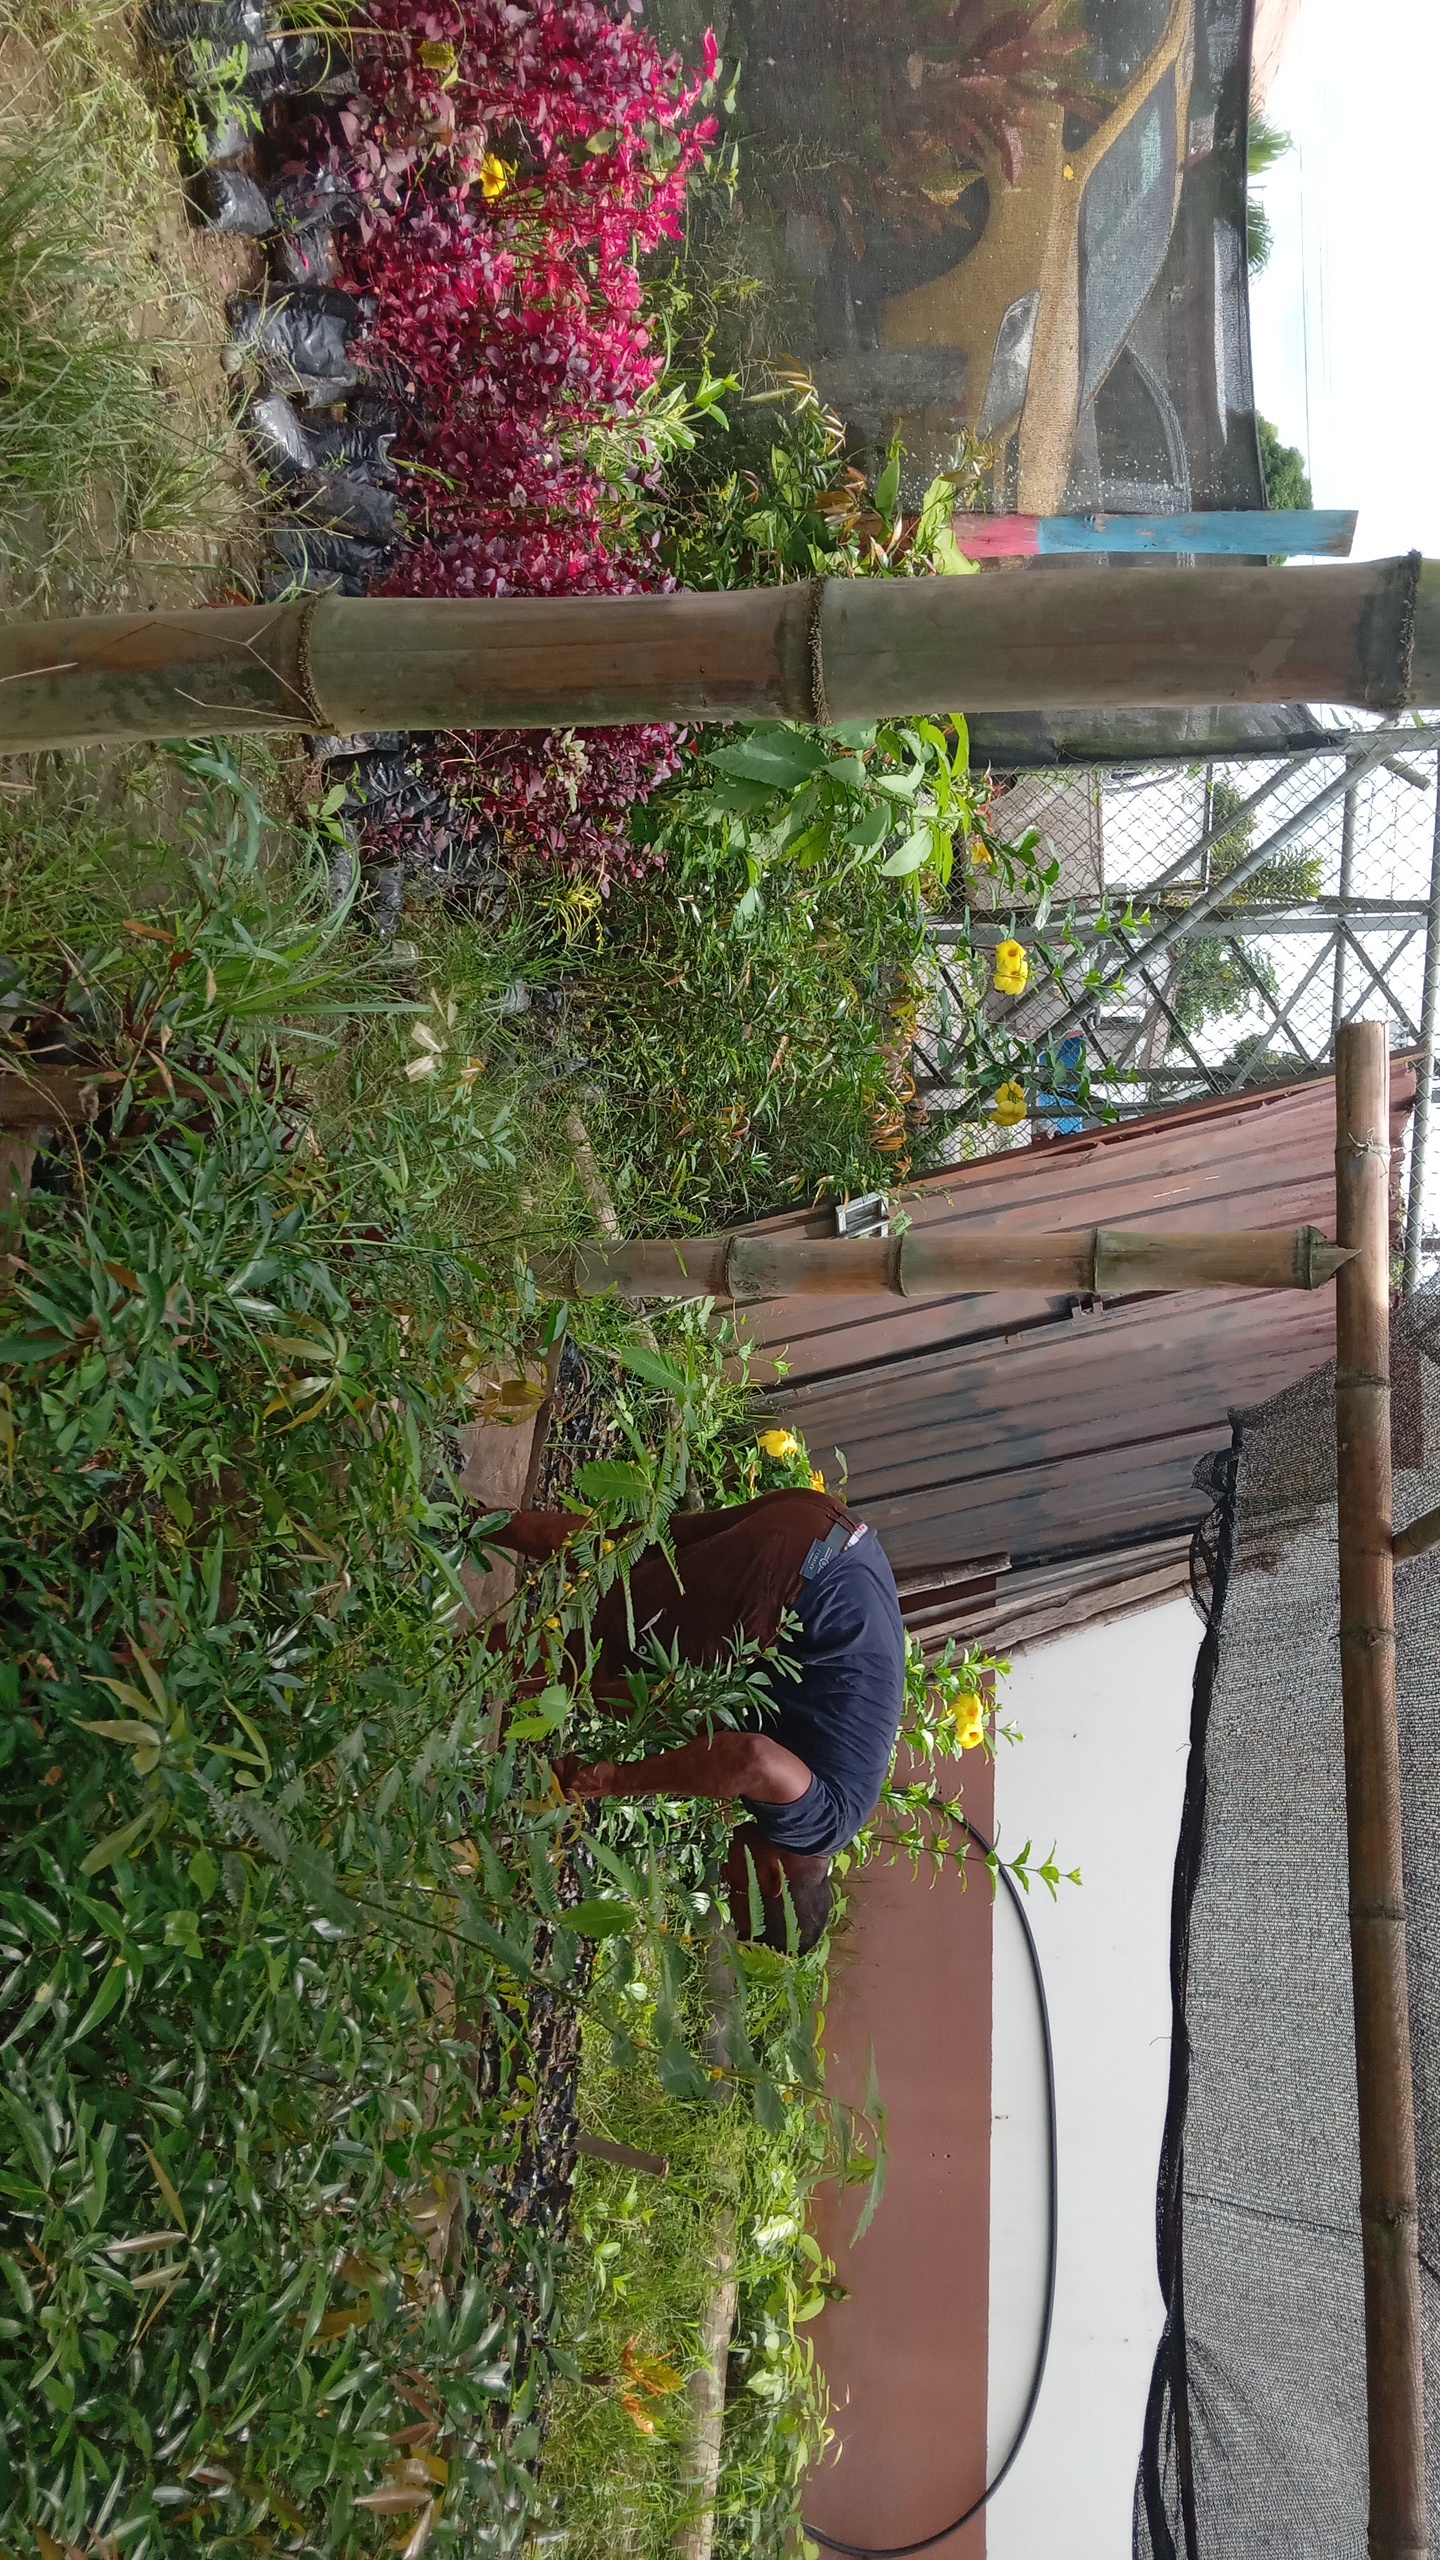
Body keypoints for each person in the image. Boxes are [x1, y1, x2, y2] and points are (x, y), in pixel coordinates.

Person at [489, 1487, 907, 1955]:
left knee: (630, 1555)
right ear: (773, 1881)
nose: (724, 1876)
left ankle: (466, 1522)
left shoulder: (845, 1799)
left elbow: (707, 1722)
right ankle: (460, 1660)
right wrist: (617, 1781)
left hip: (828, 1528)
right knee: (597, 1645)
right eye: (736, 1891)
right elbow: (752, 1759)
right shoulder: (819, 1827)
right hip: (798, 1576)